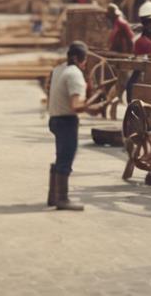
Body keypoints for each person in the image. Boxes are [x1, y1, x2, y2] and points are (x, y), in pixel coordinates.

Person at [46, 41, 90, 211]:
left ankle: (53, 196)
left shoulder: (59, 69)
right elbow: (75, 105)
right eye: (84, 60)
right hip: (66, 121)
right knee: (66, 158)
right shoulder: (75, 74)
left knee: (60, 156)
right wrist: (92, 107)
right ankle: (62, 199)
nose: (85, 64)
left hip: (54, 119)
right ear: (79, 59)